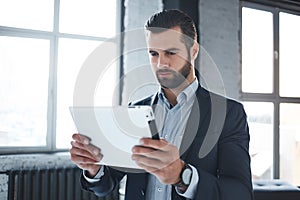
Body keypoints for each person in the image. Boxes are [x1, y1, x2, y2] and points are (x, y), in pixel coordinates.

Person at [70, 9, 253, 200]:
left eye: (170, 52)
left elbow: (239, 193)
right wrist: (94, 168)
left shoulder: (228, 114)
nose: (161, 63)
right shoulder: (136, 110)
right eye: (154, 53)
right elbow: (106, 186)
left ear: (194, 50)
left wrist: (183, 175)